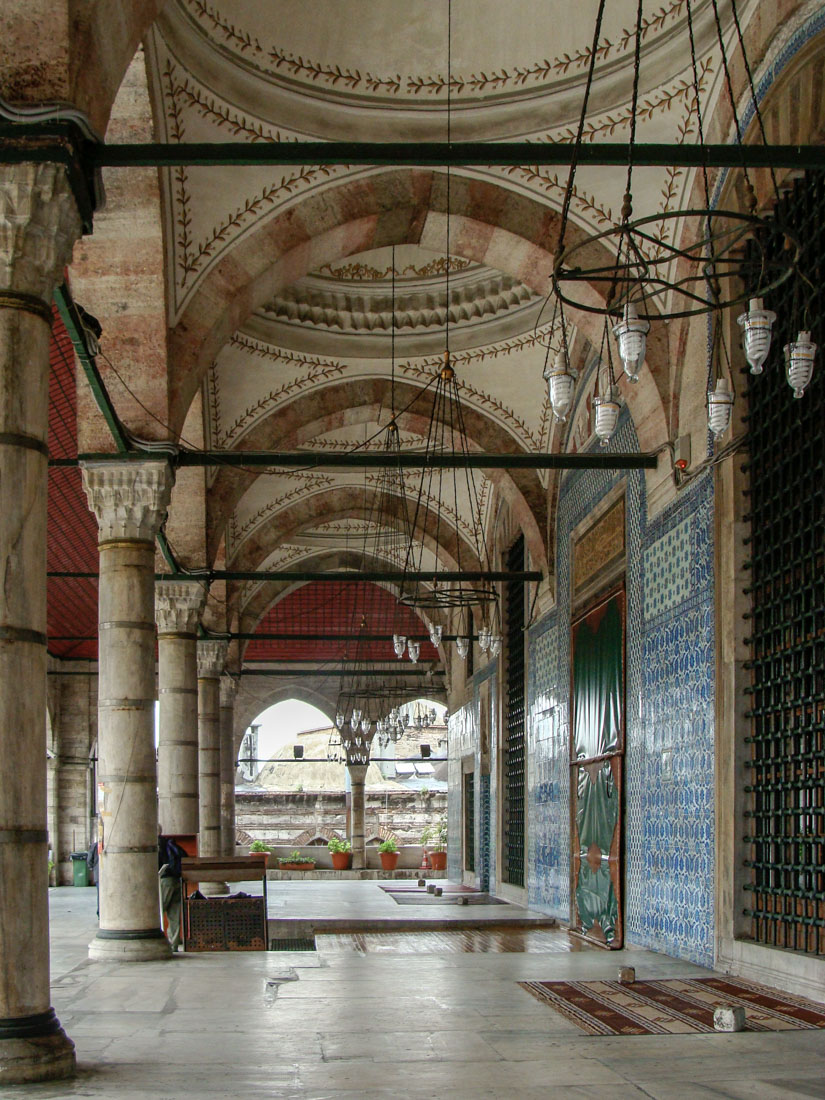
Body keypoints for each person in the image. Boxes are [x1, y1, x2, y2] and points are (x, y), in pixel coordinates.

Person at [158, 830, 185, 951]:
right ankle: (174, 943)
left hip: (164, 880)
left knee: (158, 911)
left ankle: (156, 940)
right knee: (174, 914)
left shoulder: (156, 844)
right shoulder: (170, 842)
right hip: (177, 880)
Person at [87, 827, 100, 917]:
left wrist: (92, 868)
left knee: (100, 894)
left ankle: (100, 912)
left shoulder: (95, 845)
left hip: (98, 874)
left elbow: (89, 859)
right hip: (105, 875)